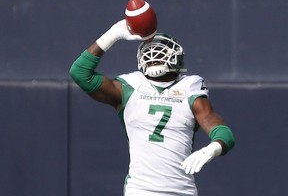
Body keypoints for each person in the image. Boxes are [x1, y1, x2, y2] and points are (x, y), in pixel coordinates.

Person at [69, 19, 235, 196]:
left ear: (177, 56)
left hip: (181, 191)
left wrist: (212, 149)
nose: (154, 55)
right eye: (149, 51)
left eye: (161, 52)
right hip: (140, 190)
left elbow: (223, 133)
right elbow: (80, 73)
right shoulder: (129, 86)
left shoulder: (189, 87)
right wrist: (113, 34)